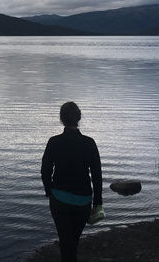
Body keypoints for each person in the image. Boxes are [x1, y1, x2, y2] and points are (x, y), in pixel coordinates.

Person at [41, 101, 102, 262]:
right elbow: (97, 175)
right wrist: (98, 203)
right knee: (73, 240)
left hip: (59, 200)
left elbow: (45, 170)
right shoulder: (89, 143)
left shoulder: (54, 142)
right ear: (79, 118)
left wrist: (49, 191)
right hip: (83, 201)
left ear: (61, 119)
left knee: (65, 240)